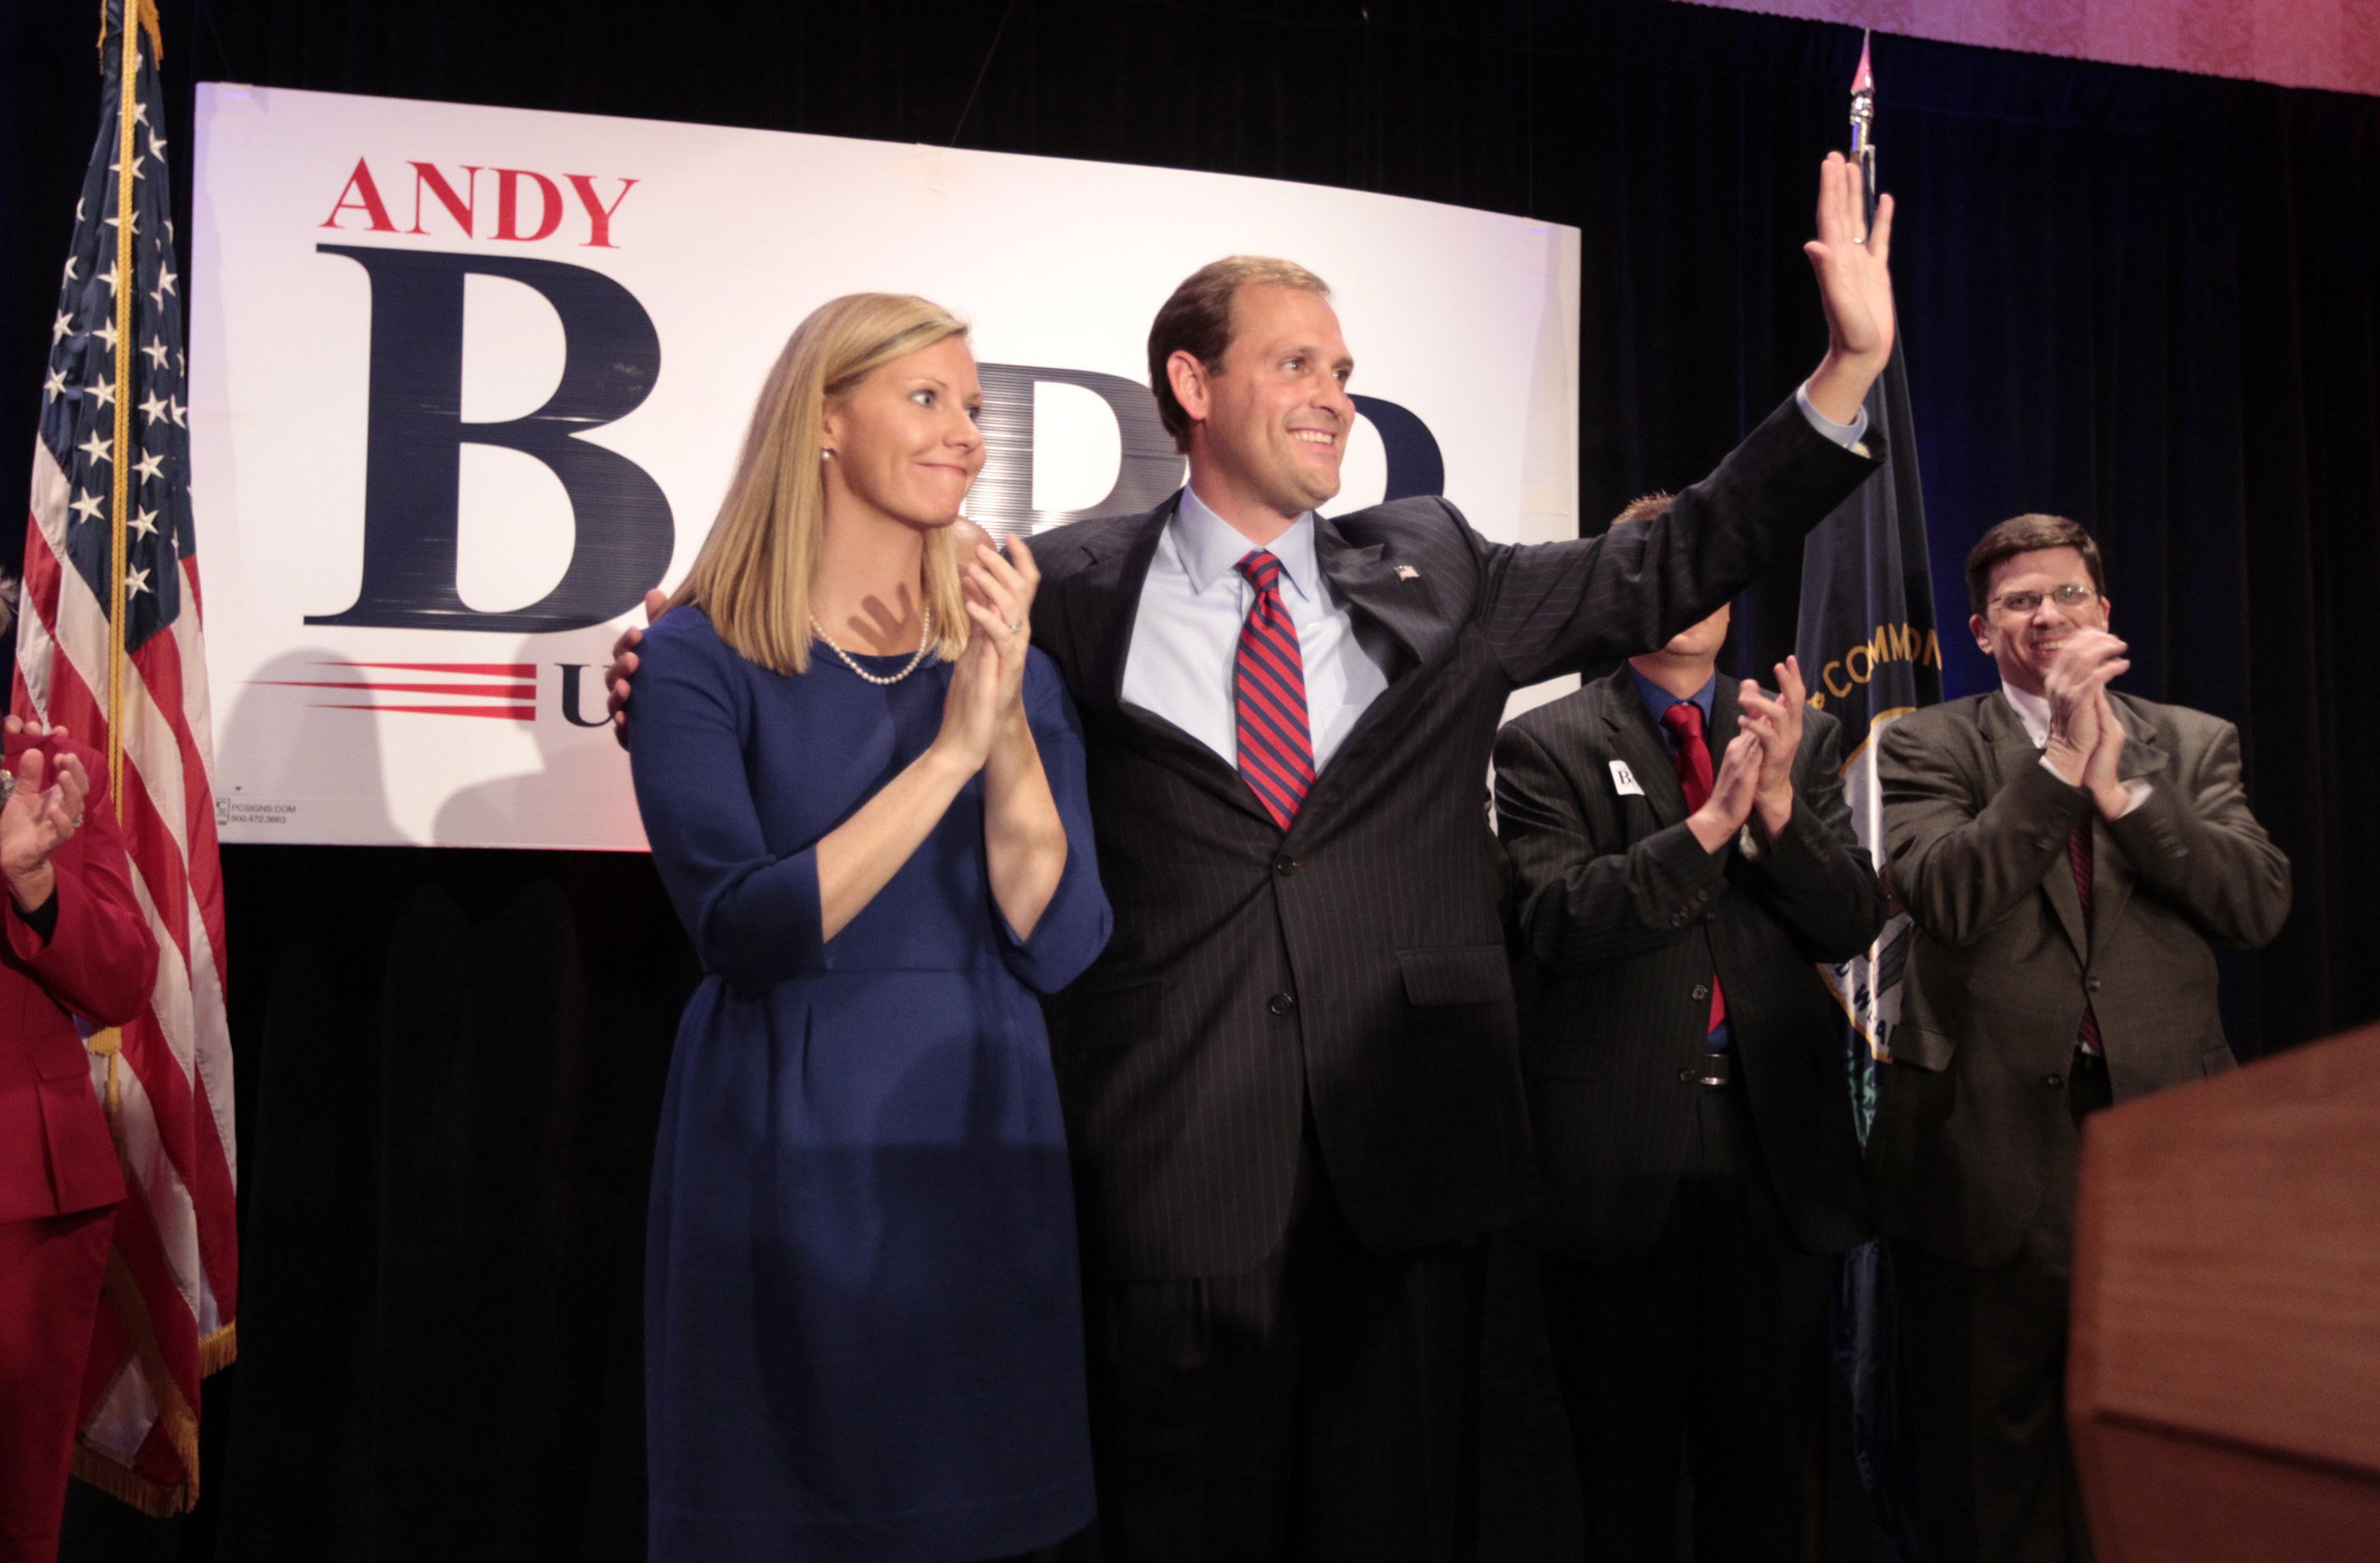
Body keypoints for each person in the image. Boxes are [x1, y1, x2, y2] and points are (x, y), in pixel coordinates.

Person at [611, 154, 1896, 1561]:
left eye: (1344, 367)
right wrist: (665, 646)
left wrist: (1844, 372)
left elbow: (1672, 557)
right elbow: (857, 646)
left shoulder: (1439, 569)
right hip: (1171, 1173)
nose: (1336, 393)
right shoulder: (1066, 595)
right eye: (1295, 362)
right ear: (1192, 385)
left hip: (1409, 1168)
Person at [624, 292, 1113, 1561]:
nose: (966, 432)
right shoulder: (697, 654)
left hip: (977, 1124)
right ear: (825, 420)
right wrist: (951, 753)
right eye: (926, 398)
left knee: (983, 1512)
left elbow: (1056, 936)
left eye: (971, 406)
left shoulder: (1015, 660)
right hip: (787, 1130)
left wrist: (999, 725)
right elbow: (745, 925)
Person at [1873, 513, 2292, 1563]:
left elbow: (2257, 906)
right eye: (2020, 601)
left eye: (2067, 595)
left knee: (2159, 1462)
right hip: (1990, 1155)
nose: (2046, 615)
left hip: (2164, 1160)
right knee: (1990, 1472)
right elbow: (1948, 896)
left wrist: (2122, 792)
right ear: (1980, 629)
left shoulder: (2193, 743)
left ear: (2107, 613)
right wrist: (2059, 762)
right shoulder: (1927, 743)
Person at [1491, 492, 1883, 1561]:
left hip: (1773, 1160)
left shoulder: (1797, 736)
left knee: (1761, 1486)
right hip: (1616, 1164)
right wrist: (1711, 826)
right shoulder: (1543, 745)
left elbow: (1851, 920)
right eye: (1659, 564)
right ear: (1624, 588)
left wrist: (1780, 814)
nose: (1690, 588)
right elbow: (1562, 921)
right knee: (1618, 1487)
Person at [0, 716, 157, 1563]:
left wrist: (37, 886)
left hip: (20, 1202)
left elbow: (126, 977)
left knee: (15, 1521)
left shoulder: (50, 773)